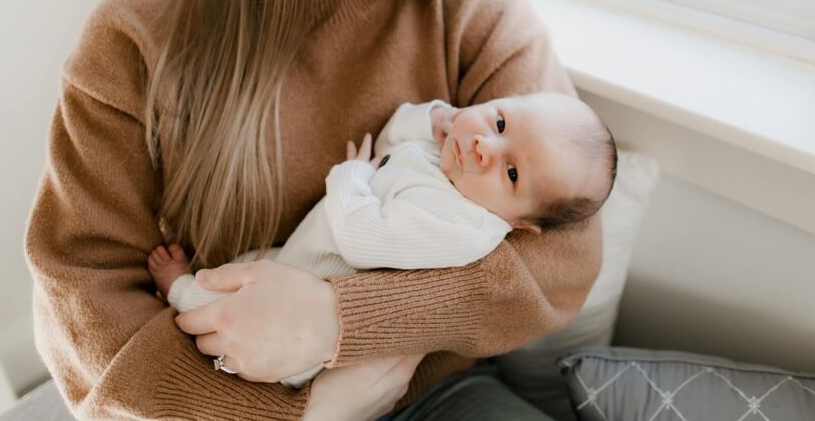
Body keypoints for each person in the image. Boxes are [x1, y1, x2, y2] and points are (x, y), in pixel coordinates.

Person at [24, 0, 604, 419]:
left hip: (438, 398)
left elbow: (568, 249)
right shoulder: (130, 43)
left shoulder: (468, 0)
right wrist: (305, 413)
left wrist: (341, 318)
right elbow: (85, 318)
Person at [148, 95, 617, 387]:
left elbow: (359, 239)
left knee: (224, 301)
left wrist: (351, 174)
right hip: (297, 260)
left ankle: (179, 291)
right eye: (499, 122)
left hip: (300, 335)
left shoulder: (464, 226)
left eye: (512, 172)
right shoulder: (455, 160)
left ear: (520, 223)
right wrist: (434, 117)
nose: (484, 148)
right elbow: (397, 135)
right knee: (249, 265)